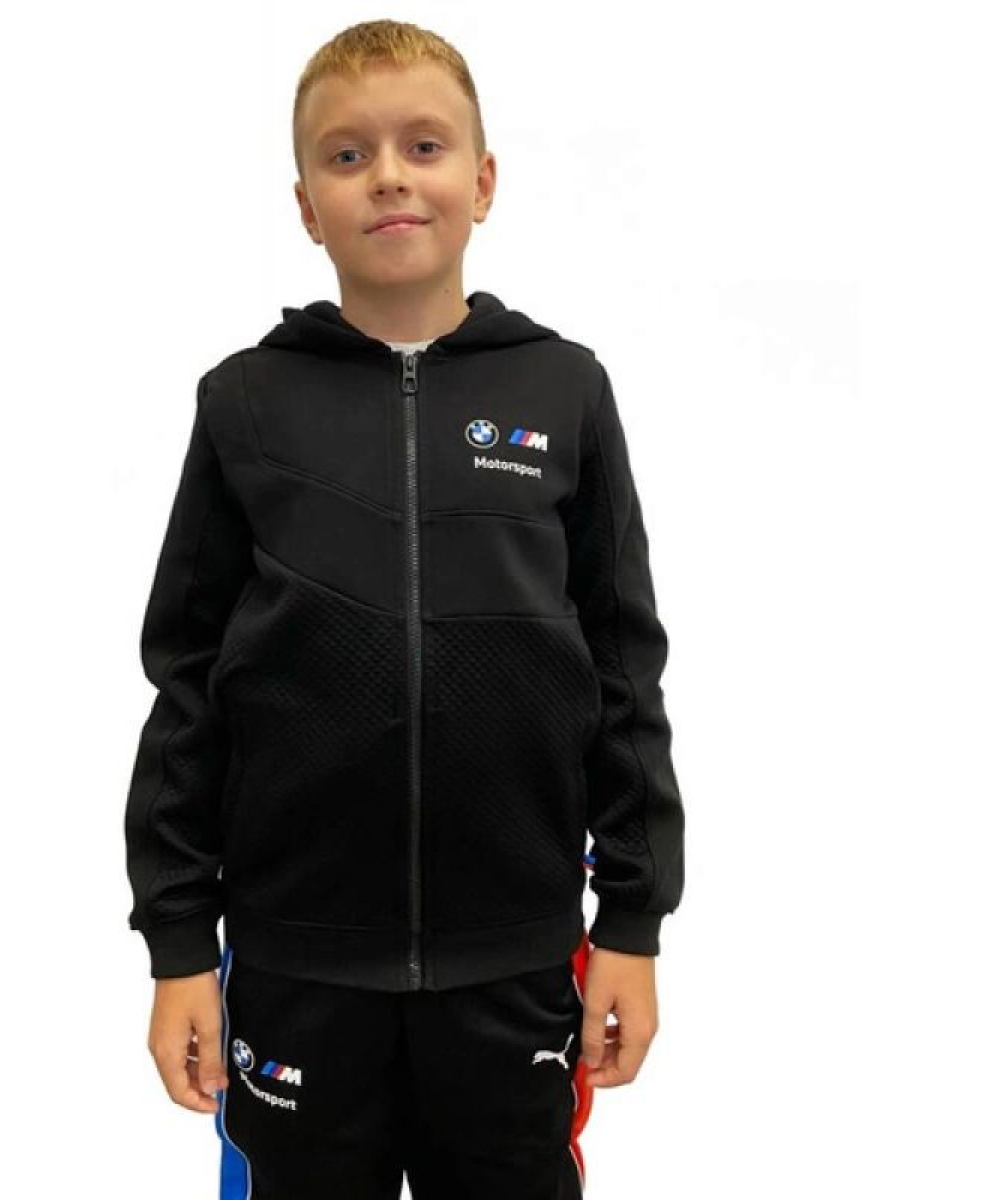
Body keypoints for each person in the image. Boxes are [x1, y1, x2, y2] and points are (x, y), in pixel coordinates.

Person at [123, 18, 685, 1199]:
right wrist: (179, 946)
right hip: (297, 972)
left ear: (482, 182)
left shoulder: (564, 390)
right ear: (305, 205)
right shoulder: (244, 405)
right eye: (347, 154)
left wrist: (632, 922)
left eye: (424, 145)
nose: (387, 174)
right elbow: (186, 688)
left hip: (516, 966)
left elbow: (624, 669)